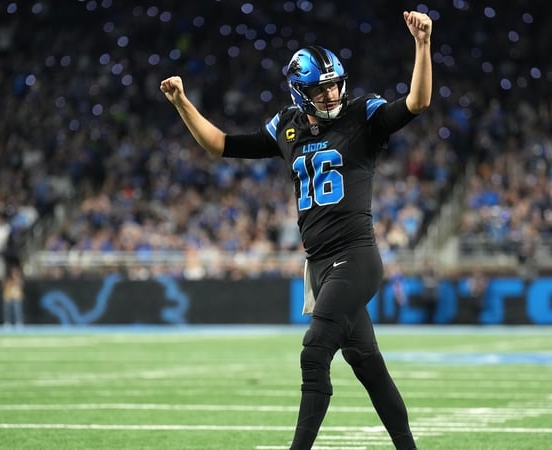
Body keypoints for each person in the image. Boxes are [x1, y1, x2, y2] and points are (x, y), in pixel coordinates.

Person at [160, 11, 432, 450]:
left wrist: (422, 46)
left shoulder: (362, 114)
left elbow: (416, 102)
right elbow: (221, 145)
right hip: (319, 264)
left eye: (335, 84)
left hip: (356, 256)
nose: (332, 93)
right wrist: (181, 103)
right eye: (321, 88)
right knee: (368, 365)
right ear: (300, 93)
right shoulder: (287, 126)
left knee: (314, 351)